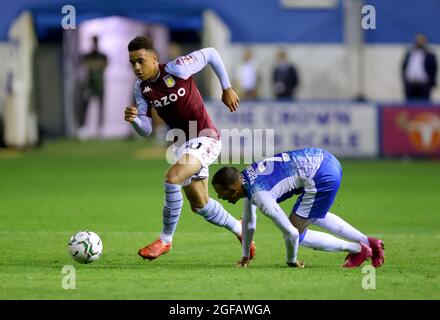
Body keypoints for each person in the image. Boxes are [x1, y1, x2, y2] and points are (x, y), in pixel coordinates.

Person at [124, 36, 256, 260]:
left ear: (155, 58)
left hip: (206, 138)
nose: (136, 67)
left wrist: (226, 88)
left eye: (141, 61)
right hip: (183, 145)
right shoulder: (142, 88)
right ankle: (239, 228)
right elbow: (146, 129)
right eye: (132, 63)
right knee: (201, 205)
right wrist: (136, 120)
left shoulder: (177, 68)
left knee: (172, 177)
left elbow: (212, 53)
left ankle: (165, 240)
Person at [212, 148, 385, 268]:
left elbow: (291, 233)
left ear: (234, 188)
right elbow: (249, 222)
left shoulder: (260, 196)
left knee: (297, 231)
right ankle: (369, 242)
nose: (220, 197)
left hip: (320, 175)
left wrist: (291, 260)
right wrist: (245, 255)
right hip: (324, 159)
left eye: (221, 193)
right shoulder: (246, 178)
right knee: (312, 215)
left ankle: (359, 249)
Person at [79, 36, 108, 134]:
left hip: (100, 84)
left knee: (101, 107)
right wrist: (95, 65)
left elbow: (103, 66)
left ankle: (100, 129)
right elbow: (88, 65)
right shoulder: (88, 55)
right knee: (85, 106)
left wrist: (94, 65)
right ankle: (83, 128)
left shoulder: (102, 56)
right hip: (90, 84)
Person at [402, 34, 438, 101]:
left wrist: (432, 82)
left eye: (422, 40)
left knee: (424, 106)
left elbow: (434, 69)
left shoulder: (430, 55)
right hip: (410, 85)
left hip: (424, 85)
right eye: (419, 40)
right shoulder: (410, 53)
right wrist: (405, 81)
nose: (420, 42)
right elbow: (404, 68)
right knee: (410, 106)